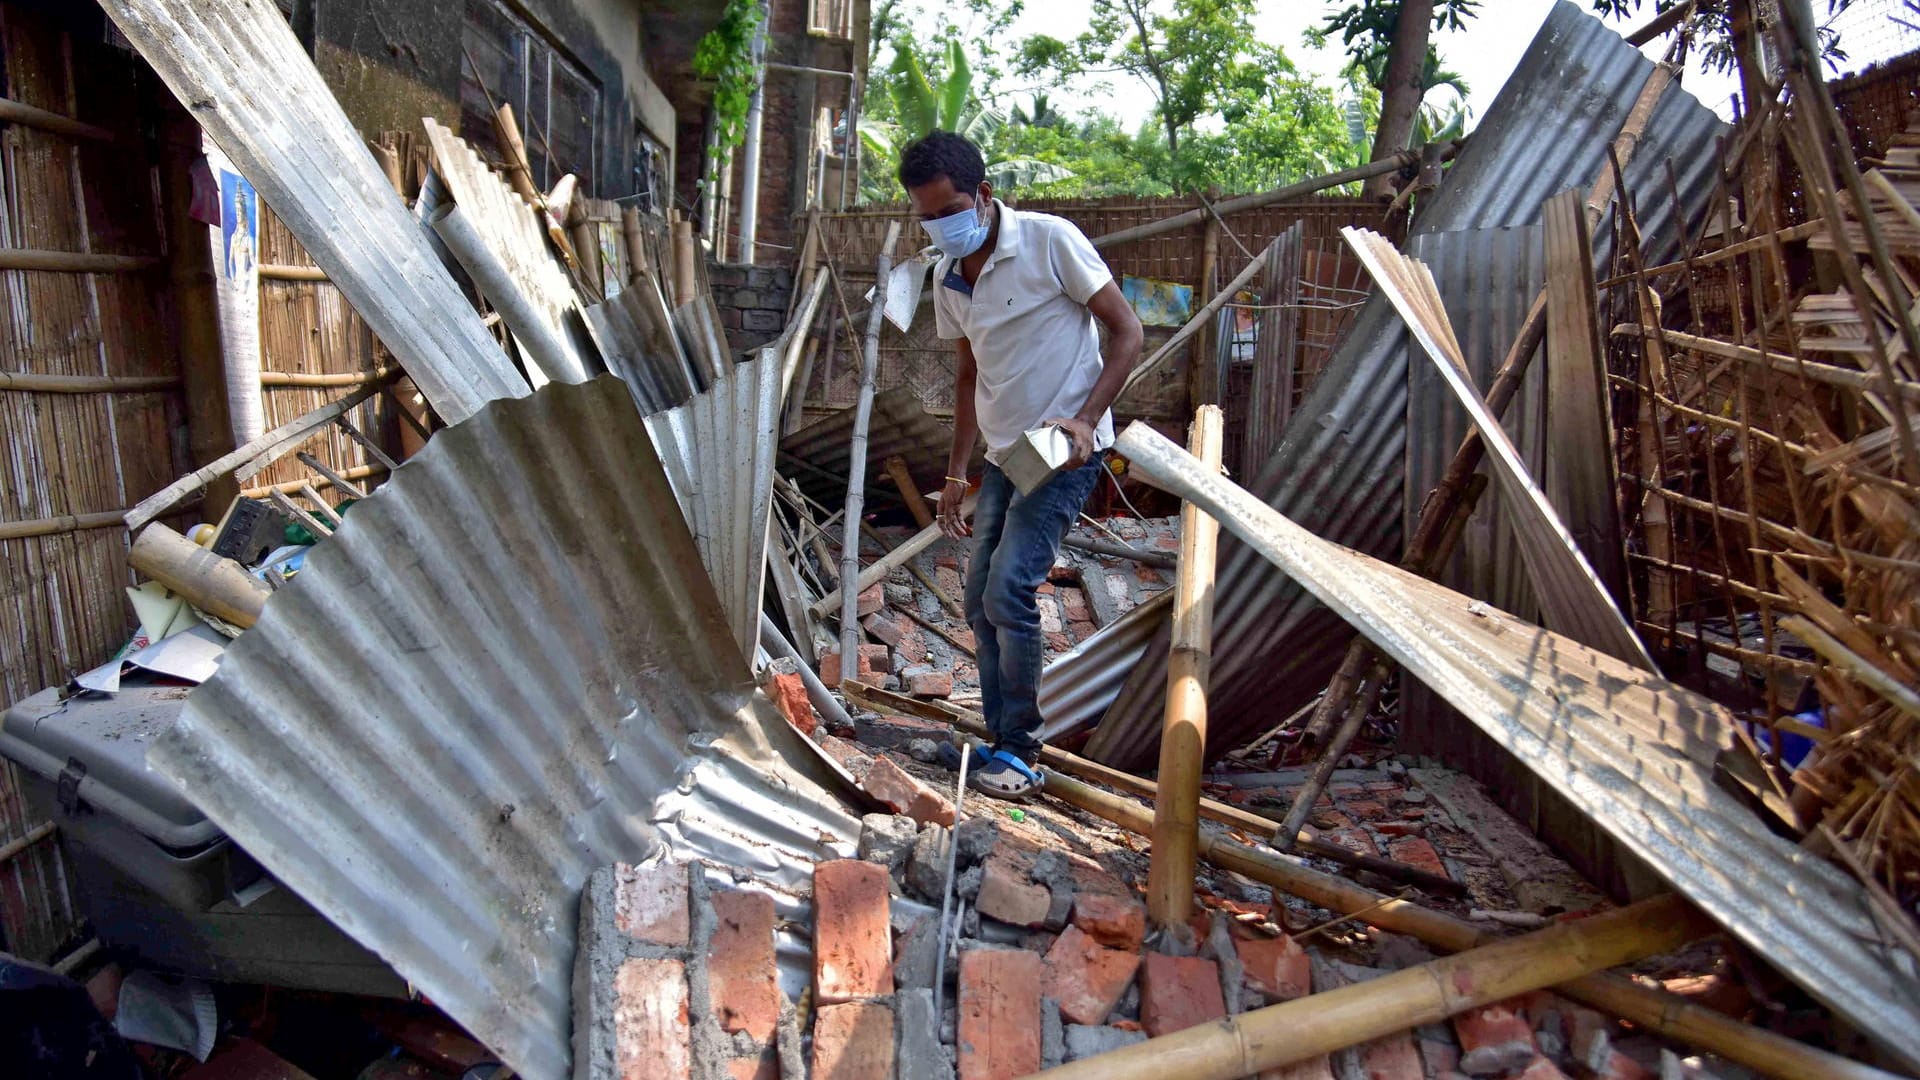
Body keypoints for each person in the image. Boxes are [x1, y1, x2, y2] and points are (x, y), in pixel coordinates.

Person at [899, 131, 1143, 800]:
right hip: (1008, 455)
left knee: (1009, 587)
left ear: (982, 195)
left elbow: (1128, 332)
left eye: (947, 208)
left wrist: (1087, 419)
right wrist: (956, 474)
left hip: (1064, 451)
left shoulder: (1049, 241)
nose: (939, 224)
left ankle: (1022, 750)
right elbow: (969, 372)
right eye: (925, 215)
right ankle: (1000, 739)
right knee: (979, 600)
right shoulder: (948, 278)